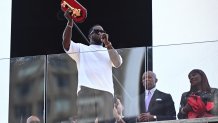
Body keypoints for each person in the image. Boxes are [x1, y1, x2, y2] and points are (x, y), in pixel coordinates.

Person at [62, 9, 123, 123]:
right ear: (90, 35)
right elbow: (66, 44)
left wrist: (108, 44)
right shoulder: (82, 48)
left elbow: (118, 63)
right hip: (86, 90)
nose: (100, 32)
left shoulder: (108, 50)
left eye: (102, 31)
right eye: (96, 30)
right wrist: (70, 23)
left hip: (106, 92)